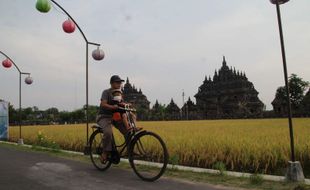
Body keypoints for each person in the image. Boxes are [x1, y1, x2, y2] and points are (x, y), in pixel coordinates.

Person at [97, 75, 131, 163]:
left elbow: (121, 103)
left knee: (128, 131)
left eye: (120, 82)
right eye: (117, 82)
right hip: (104, 116)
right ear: (111, 83)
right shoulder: (106, 92)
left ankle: (130, 150)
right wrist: (113, 107)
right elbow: (103, 104)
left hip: (115, 117)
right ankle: (105, 152)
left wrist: (126, 105)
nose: (119, 84)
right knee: (108, 133)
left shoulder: (119, 94)